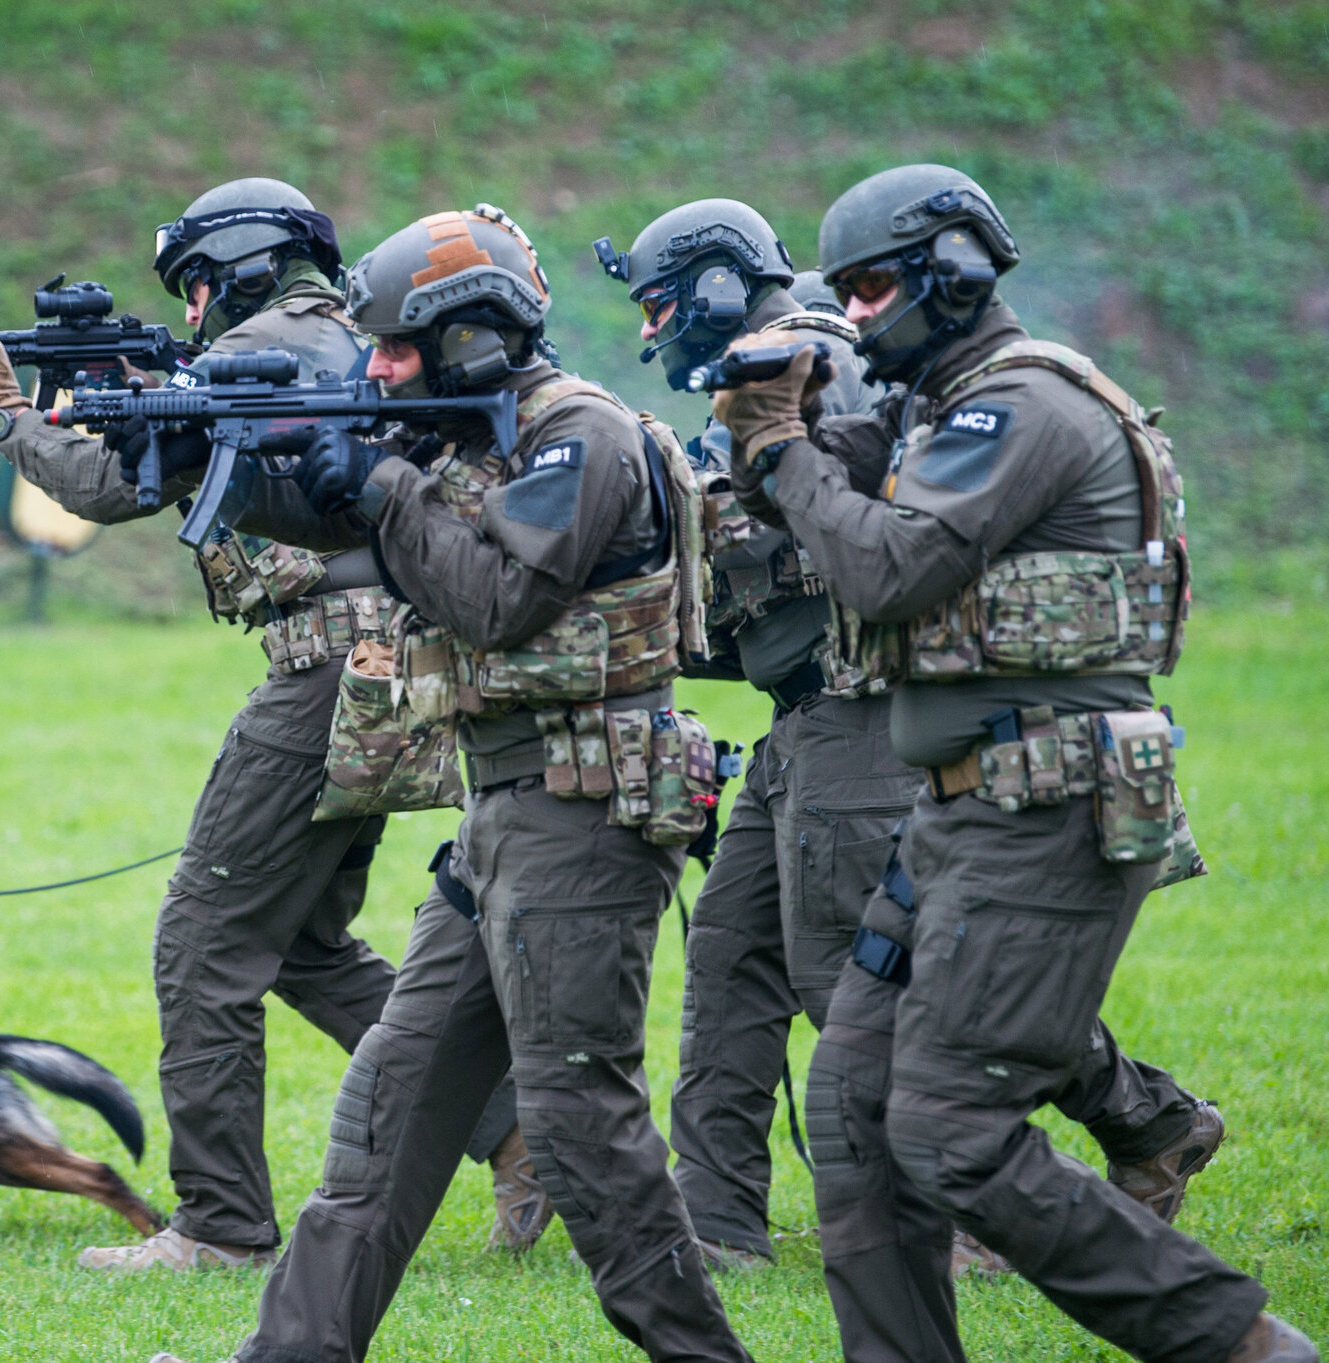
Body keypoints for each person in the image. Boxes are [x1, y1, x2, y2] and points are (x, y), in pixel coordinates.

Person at [712, 162, 1315, 1363]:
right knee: (852, 1105)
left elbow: (883, 568)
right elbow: (802, 491)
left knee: (947, 1127)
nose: (859, 314)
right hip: (960, 810)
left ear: (954, 268)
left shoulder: (1019, 408)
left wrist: (782, 446)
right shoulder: (939, 407)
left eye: (875, 287)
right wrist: (765, 424)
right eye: (846, 293)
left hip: (1044, 805)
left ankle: (1241, 1346)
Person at [156, 204, 755, 1363]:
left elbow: (492, 600)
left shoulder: (578, 437)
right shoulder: (468, 442)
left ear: (468, 337)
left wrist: (377, 483)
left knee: (584, 1129)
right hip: (503, 820)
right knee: (389, 1110)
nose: (373, 365)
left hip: (583, 814)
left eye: (392, 346)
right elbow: (360, 524)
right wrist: (210, 450)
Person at [604, 201, 1226, 1278]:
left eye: (662, 303)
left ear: (710, 283)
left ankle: (1057, 1166)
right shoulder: (772, 369)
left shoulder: (814, 360)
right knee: (728, 957)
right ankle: (715, 1230)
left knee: (858, 978)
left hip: (853, 713)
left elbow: (860, 529)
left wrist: (703, 525)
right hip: (798, 711)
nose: (655, 329)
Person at [0, 178, 544, 1272]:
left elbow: (113, 485)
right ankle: (516, 1135)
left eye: (194, 288)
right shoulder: (365, 340)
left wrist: (4, 417)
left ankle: (220, 1224)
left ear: (236, 269)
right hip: (405, 662)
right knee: (305, 948)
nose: (189, 316)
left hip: (330, 667)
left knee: (202, 937)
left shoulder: (255, 350)